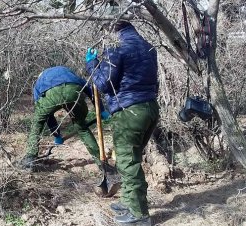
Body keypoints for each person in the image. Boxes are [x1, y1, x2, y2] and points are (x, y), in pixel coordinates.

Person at [85, 21, 159, 226]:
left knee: (128, 163)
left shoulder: (117, 47)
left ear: (112, 29)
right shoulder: (148, 46)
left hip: (130, 112)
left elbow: (104, 84)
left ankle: (139, 215)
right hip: (150, 108)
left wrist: (92, 65)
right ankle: (128, 201)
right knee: (131, 159)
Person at [21, 66, 110, 169]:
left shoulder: (39, 83)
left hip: (50, 95)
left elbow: (47, 116)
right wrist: (101, 109)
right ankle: (102, 164)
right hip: (73, 90)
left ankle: (30, 158)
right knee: (82, 128)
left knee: (37, 123)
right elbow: (90, 90)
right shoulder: (69, 74)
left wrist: (56, 135)